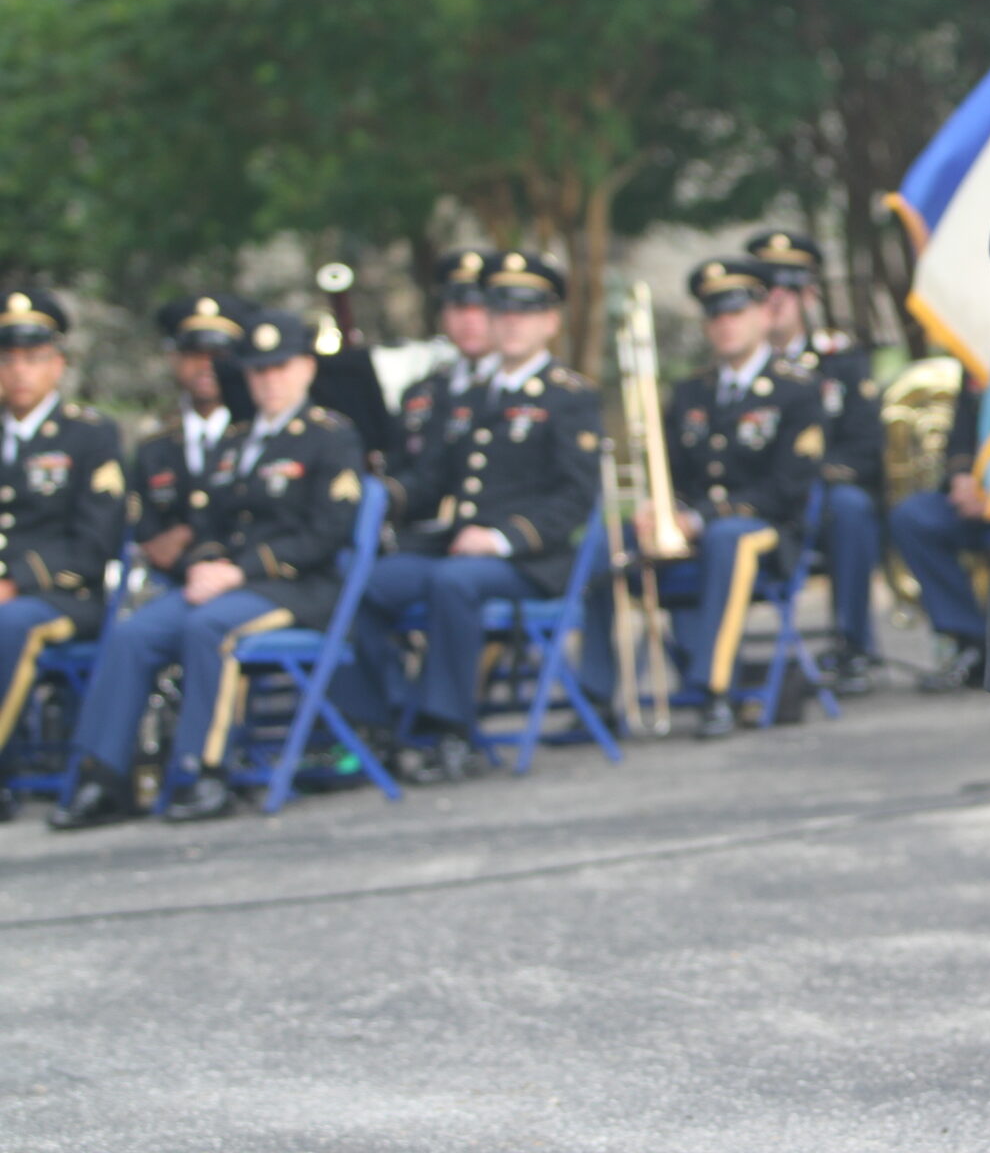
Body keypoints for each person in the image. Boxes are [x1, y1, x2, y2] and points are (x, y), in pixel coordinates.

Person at [52, 310, 364, 829]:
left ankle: (204, 769)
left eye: (281, 368)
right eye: (259, 371)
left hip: (296, 588)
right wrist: (204, 564)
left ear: (307, 369)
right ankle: (103, 776)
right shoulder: (236, 441)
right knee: (135, 633)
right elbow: (207, 523)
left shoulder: (330, 437)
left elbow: (326, 533)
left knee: (209, 628)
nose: (269, 381)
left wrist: (238, 571)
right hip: (227, 584)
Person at [352, 252, 601, 784]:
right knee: (366, 585)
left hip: (530, 559)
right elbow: (431, 480)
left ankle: (450, 730)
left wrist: (501, 539)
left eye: (525, 311)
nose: (510, 322)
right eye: (500, 311)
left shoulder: (568, 397)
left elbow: (577, 498)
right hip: (460, 551)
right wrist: (380, 495)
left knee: (452, 582)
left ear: (550, 321)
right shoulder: (469, 397)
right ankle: (391, 717)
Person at [579, 257, 823, 739]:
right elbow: (672, 473)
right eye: (715, 315)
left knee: (727, 538)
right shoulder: (691, 392)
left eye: (736, 312)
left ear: (761, 314)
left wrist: (701, 517)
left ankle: (716, 689)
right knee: (608, 540)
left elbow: (786, 490)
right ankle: (596, 693)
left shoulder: (797, 390)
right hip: (696, 528)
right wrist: (660, 510)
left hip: (767, 531)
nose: (726, 324)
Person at [744, 227, 885, 695]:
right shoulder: (738, 365)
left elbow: (866, 443)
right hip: (757, 498)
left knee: (850, 507)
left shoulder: (839, 359)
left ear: (809, 292)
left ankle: (854, 644)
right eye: (766, 288)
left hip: (820, 495)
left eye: (790, 286)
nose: (778, 299)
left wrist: (811, 477)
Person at [0, 290, 124, 821]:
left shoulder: (90, 435)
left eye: (32, 359)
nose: (18, 371)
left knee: (9, 624)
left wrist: (17, 582)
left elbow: (95, 545)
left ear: (58, 364)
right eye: (7, 359)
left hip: (63, 597)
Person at [387, 249, 501, 556]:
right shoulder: (424, 392)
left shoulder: (514, 390)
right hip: (420, 539)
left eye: (482, 308)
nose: (470, 320)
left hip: (488, 543)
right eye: (459, 307)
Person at [886, 378, 990, 693]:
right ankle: (969, 639)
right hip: (977, 495)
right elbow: (961, 435)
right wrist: (962, 478)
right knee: (913, 517)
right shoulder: (978, 356)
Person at [133, 295, 254, 576]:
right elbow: (146, 531)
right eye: (194, 354)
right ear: (175, 359)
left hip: (237, 574)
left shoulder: (255, 435)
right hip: (170, 578)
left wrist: (189, 532)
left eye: (218, 356)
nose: (206, 367)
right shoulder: (154, 445)